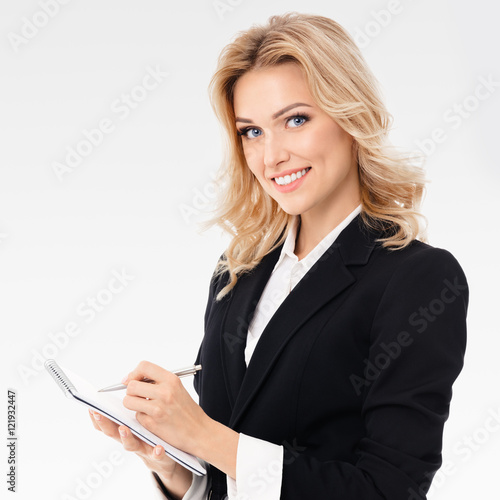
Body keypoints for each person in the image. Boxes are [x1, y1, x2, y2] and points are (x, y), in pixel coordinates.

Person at [88, 12, 469, 500]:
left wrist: (203, 435)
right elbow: (230, 480)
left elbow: (389, 490)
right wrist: (171, 462)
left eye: (295, 120)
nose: (271, 157)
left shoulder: (418, 278)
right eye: (252, 132)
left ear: (351, 117)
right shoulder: (238, 271)